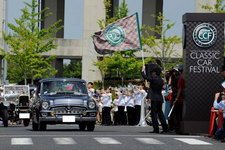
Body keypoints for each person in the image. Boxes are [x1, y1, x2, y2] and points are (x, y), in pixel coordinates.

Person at [141, 65, 168, 133]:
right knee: (160, 113)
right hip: (159, 98)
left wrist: (143, 70)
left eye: (153, 72)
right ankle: (165, 128)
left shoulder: (153, 78)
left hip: (154, 98)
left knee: (154, 114)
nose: (152, 73)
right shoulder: (161, 80)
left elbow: (145, 77)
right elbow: (154, 87)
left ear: (155, 73)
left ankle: (156, 129)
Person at [172, 64, 185, 134]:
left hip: (179, 99)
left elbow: (179, 89)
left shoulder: (180, 79)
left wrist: (176, 98)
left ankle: (180, 129)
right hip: (184, 98)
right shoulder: (185, 78)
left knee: (178, 115)